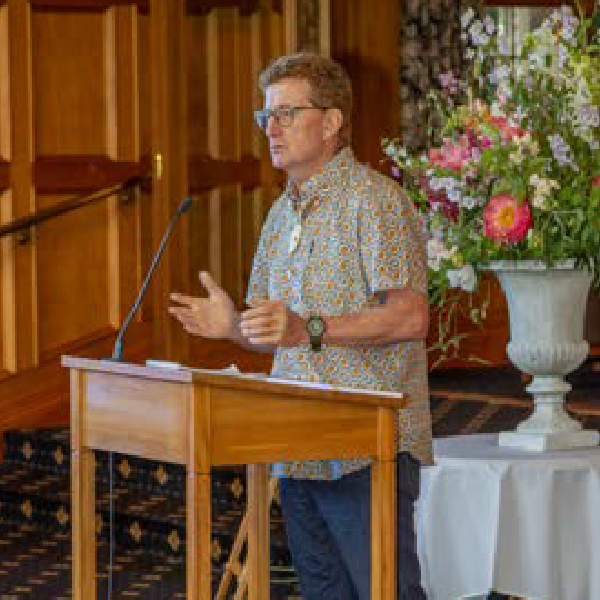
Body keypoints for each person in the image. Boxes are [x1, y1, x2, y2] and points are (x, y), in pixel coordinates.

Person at [169, 52, 432, 600]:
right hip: (297, 445)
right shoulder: (281, 211)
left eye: (288, 113)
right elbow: (275, 329)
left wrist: (305, 329)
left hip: (367, 446)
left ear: (332, 122)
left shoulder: (375, 202)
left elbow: (409, 316)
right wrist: (232, 327)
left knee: (387, 592)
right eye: (266, 116)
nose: (273, 128)